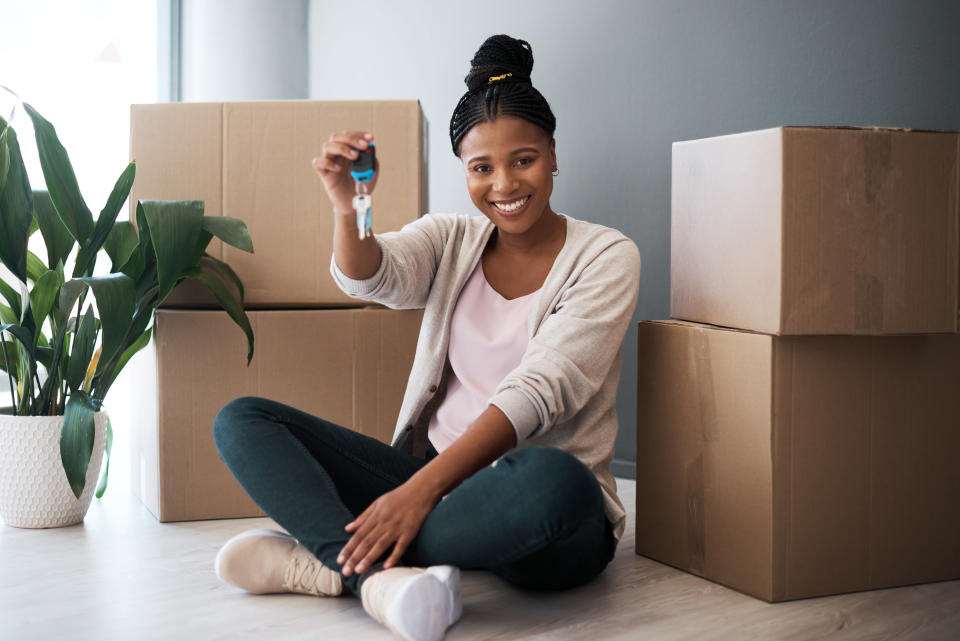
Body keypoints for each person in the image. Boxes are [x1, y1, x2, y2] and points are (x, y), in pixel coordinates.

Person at [212, 34, 641, 641]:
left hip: (533, 509)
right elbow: (371, 276)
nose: (504, 184)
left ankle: (329, 555)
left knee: (556, 482)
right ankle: (370, 579)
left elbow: (541, 390)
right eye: (481, 167)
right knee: (242, 419)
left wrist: (417, 495)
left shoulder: (606, 256)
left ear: (553, 154)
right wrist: (352, 205)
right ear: (463, 170)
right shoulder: (452, 240)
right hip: (430, 481)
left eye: (524, 160)